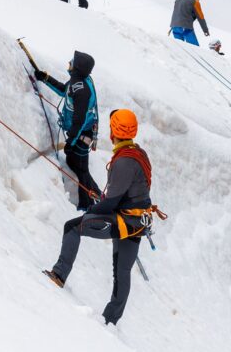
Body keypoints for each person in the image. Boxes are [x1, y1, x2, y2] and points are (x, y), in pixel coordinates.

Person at [43, 109, 153, 325]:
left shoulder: (123, 162)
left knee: (72, 227)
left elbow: (111, 202)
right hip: (137, 223)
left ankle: (59, 275)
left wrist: (94, 209)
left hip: (123, 221)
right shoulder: (138, 154)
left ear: (114, 131)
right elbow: (128, 192)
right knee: (122, 271)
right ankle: (110, 322)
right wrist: (105, 200)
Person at [34, 51, 100, 210]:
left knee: (82, 170)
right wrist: (45, 78)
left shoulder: (82, 90)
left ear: (77, 68)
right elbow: (65, 90)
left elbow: (80, 120)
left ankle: (88, 205)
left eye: (72, 62)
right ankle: (97, 194)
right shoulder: (77, 82)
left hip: (83, 134)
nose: (68, 63)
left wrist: (71, 141)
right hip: (80, 133)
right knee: (73, 161)